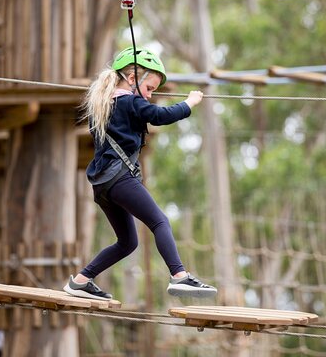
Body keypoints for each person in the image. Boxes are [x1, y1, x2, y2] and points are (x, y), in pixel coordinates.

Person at [63, 46, 217, 301]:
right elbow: (160, 115)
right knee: (160, 222)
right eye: (150, 89)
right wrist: (190, 102)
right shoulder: (129, 101)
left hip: (102, 186)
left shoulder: (105, 104)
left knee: (127, 242)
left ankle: (80, 281)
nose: (149, 96)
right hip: (120, 179)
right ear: (133, 79)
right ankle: (179, 276)